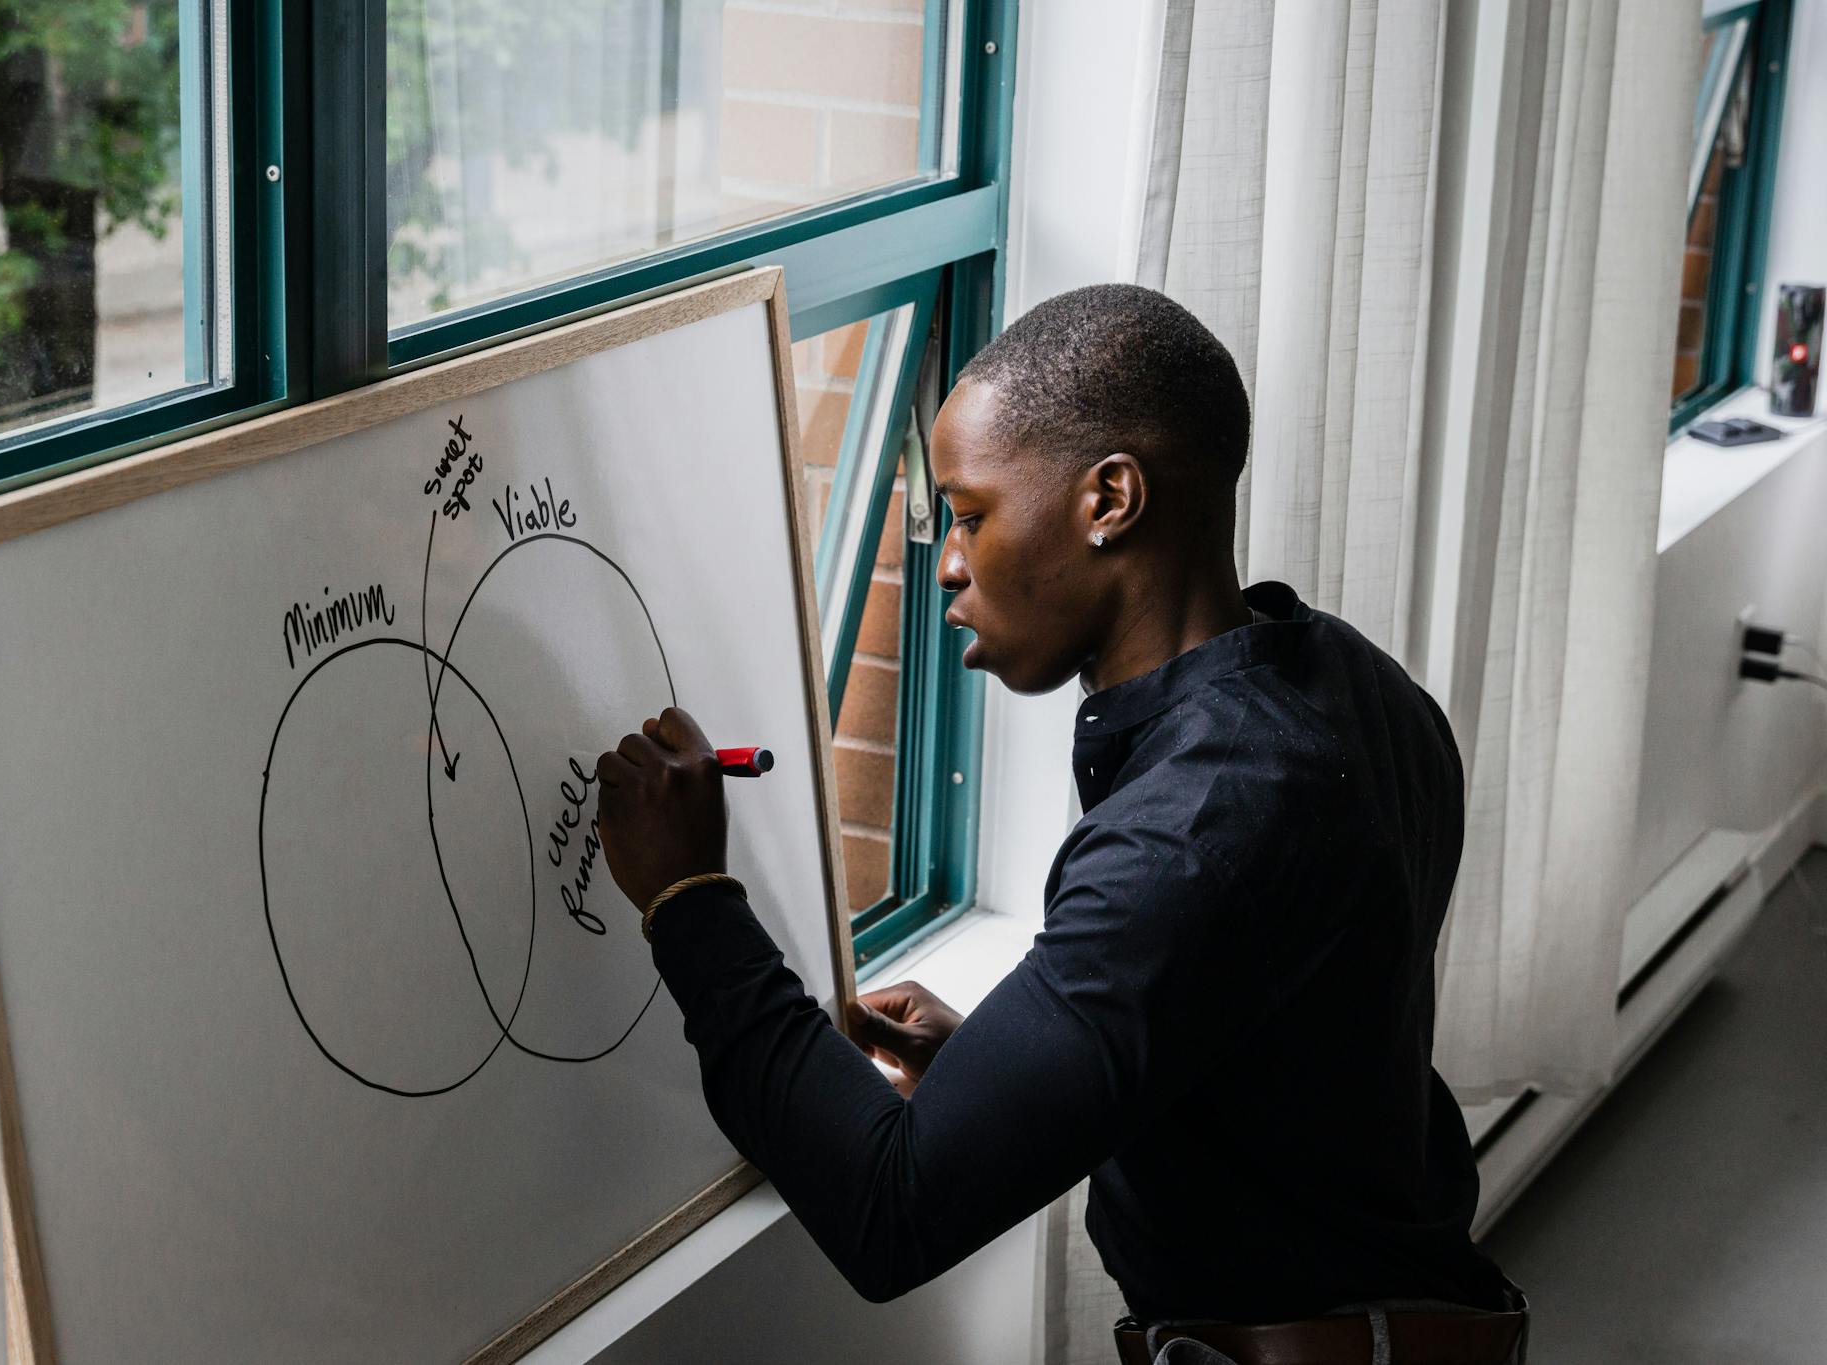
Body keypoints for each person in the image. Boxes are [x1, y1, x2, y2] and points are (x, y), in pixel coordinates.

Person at [595, 285, 1529, 1365]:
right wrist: (1004, 1066)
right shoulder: (1355, 687)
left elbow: (886, 1210)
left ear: (1110, 499)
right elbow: (1284, 1047)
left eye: (970, 512)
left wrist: (689, 899)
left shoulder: (1194, 827)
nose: (946, 560)